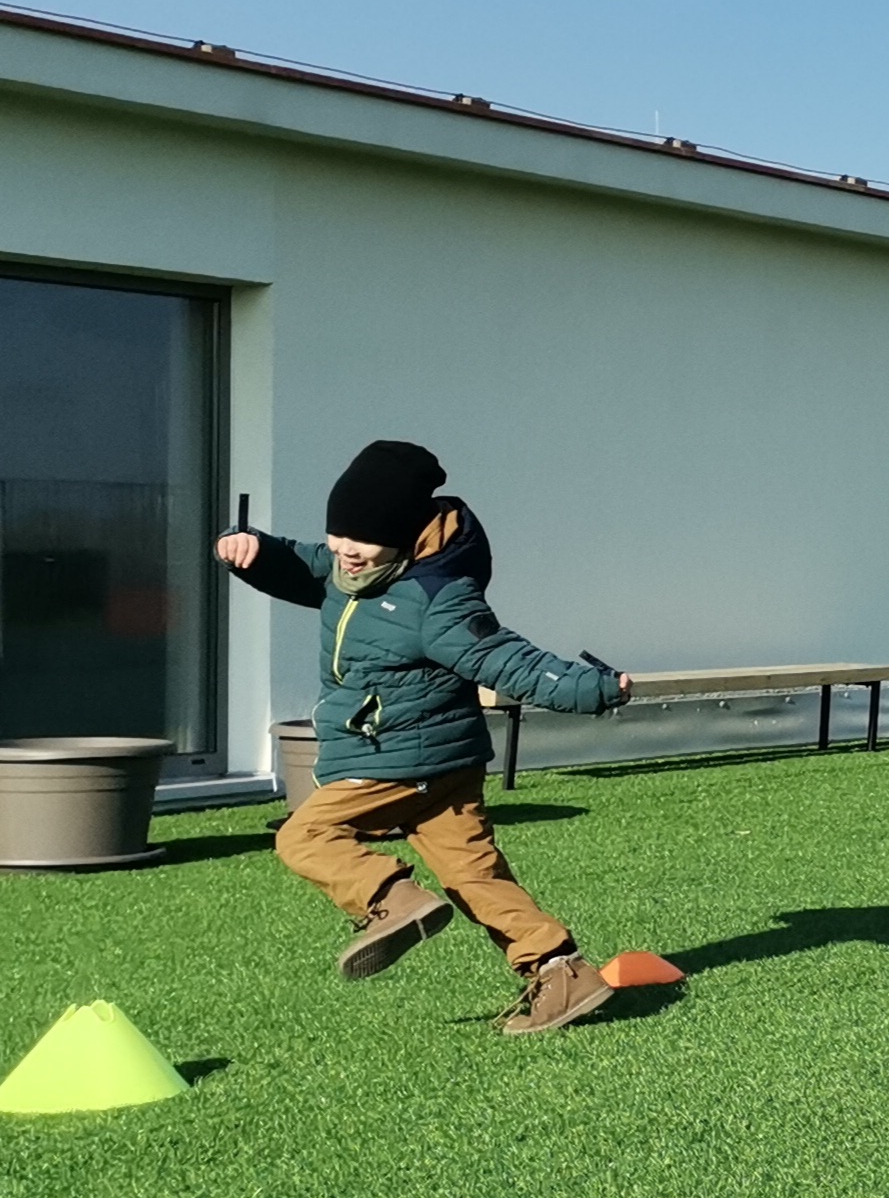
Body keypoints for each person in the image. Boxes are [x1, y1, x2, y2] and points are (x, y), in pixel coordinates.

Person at [215, 439, 634, 1039]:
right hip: (444, 766)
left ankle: (393, 900)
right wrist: (253, 551)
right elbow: (304, 564)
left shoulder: (438, 598)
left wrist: (590, 687)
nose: (344, 551)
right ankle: (561, 971)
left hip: (401, 758)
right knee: (474, 876)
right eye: (338, 536)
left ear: (404, 535)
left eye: (361, 541)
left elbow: (505, 659)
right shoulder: (350, 571)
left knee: (304, 836)